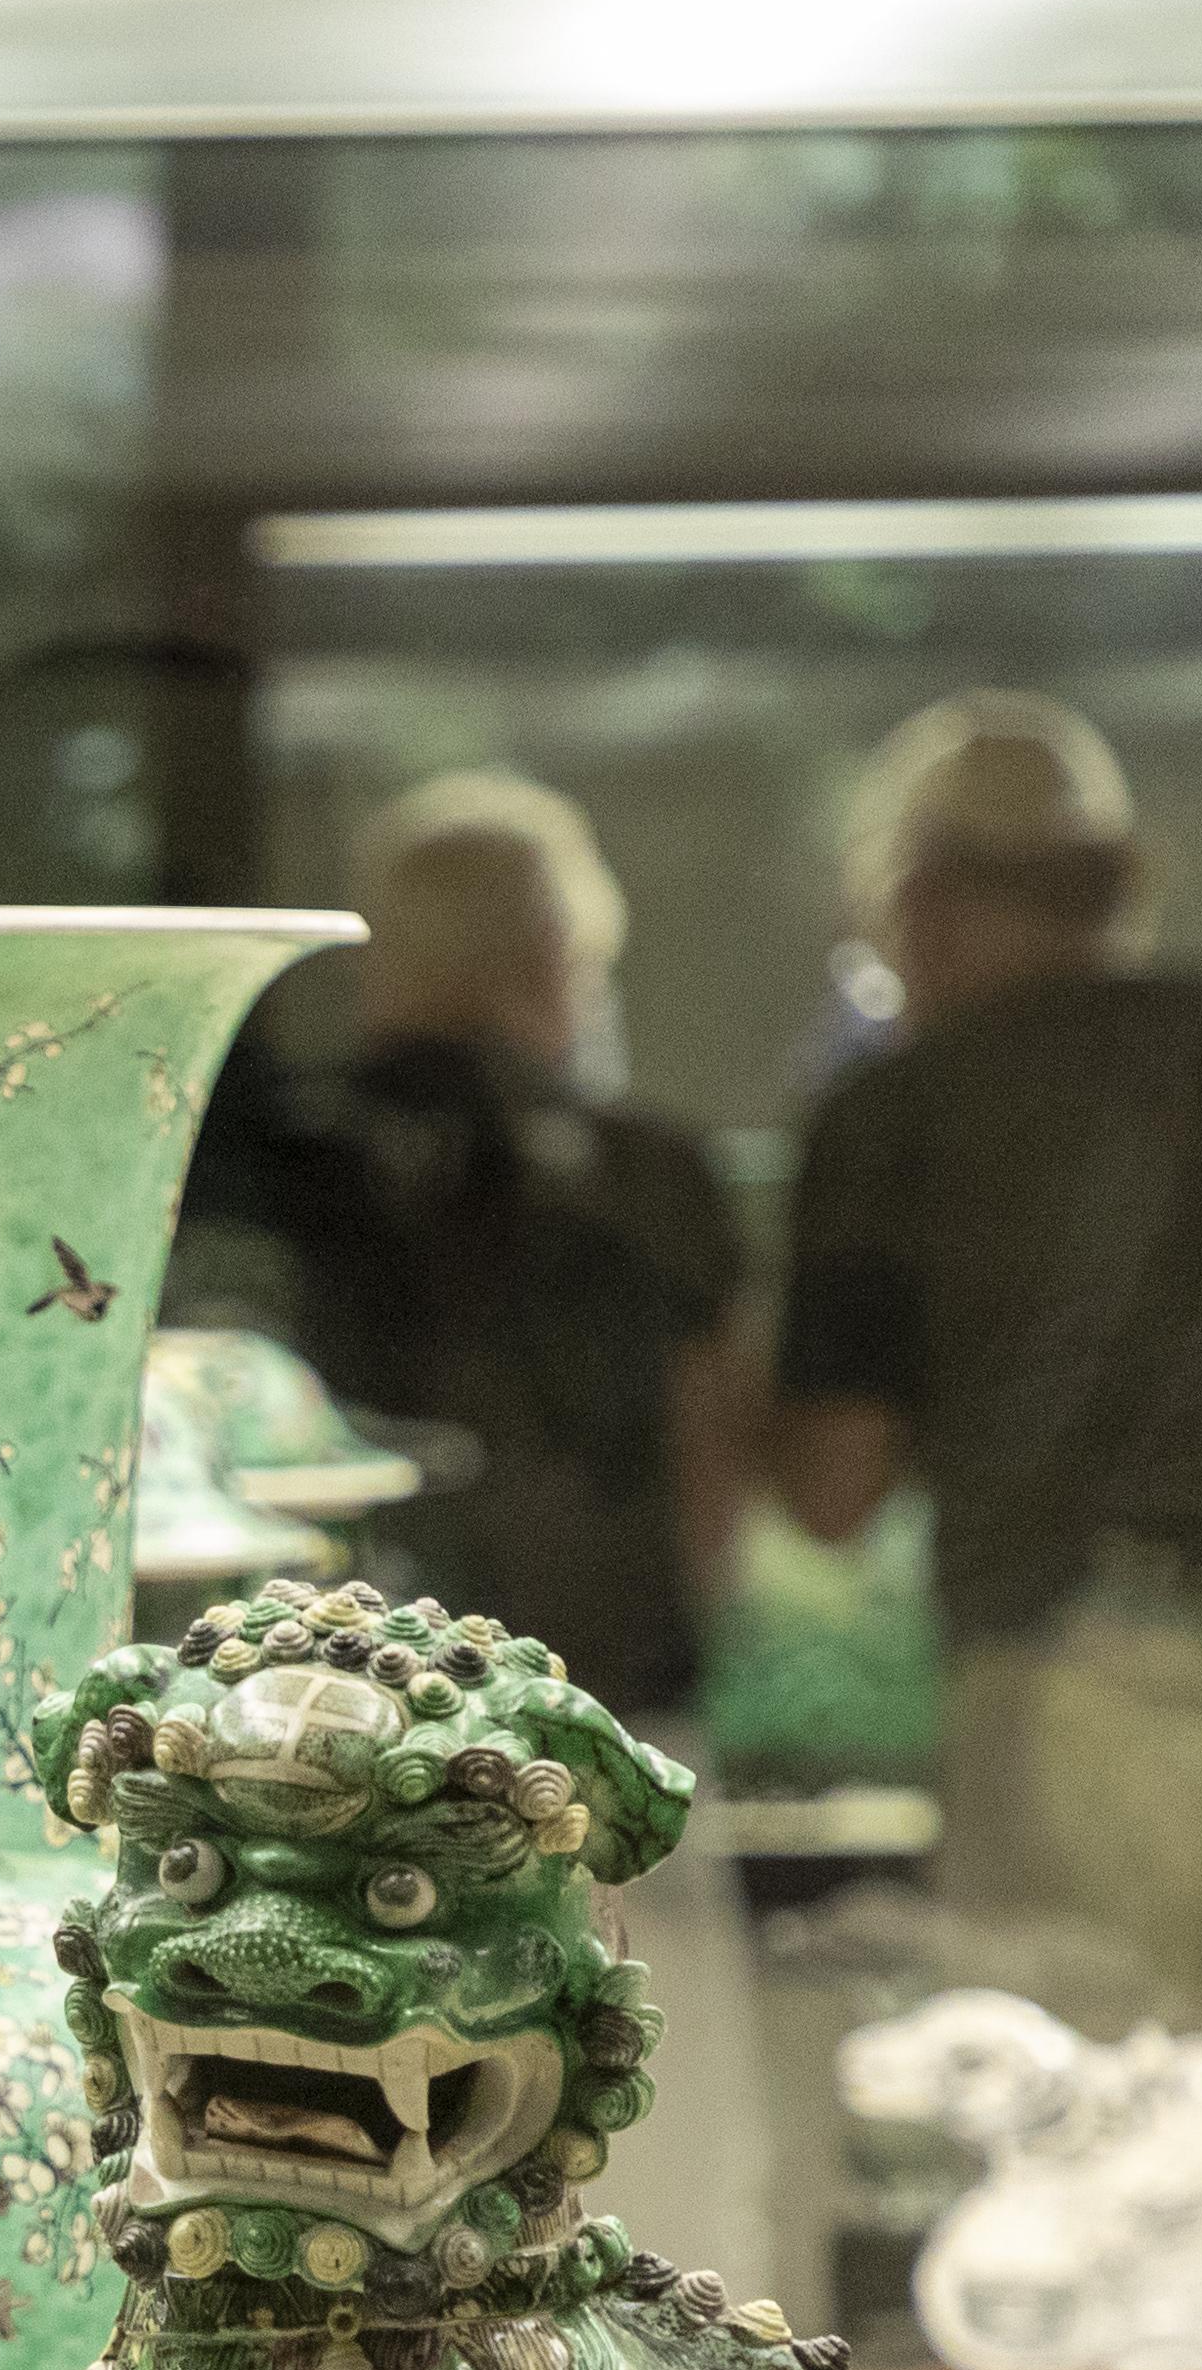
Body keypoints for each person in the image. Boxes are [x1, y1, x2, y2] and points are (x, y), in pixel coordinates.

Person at [768, 694, 1202, 2103]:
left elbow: (835, 1485)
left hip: (1061, 1698)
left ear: (917, 901)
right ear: (1122, 879)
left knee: (1077, 2161)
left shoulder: (896, 1113)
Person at [183, 767, 773, 2287]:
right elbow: (714, 1466)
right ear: (560, 962)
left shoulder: (286, 1173)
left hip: (337, 1767)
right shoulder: (651, 1176)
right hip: (614, 1745)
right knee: (665, 2186)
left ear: (384, 959)